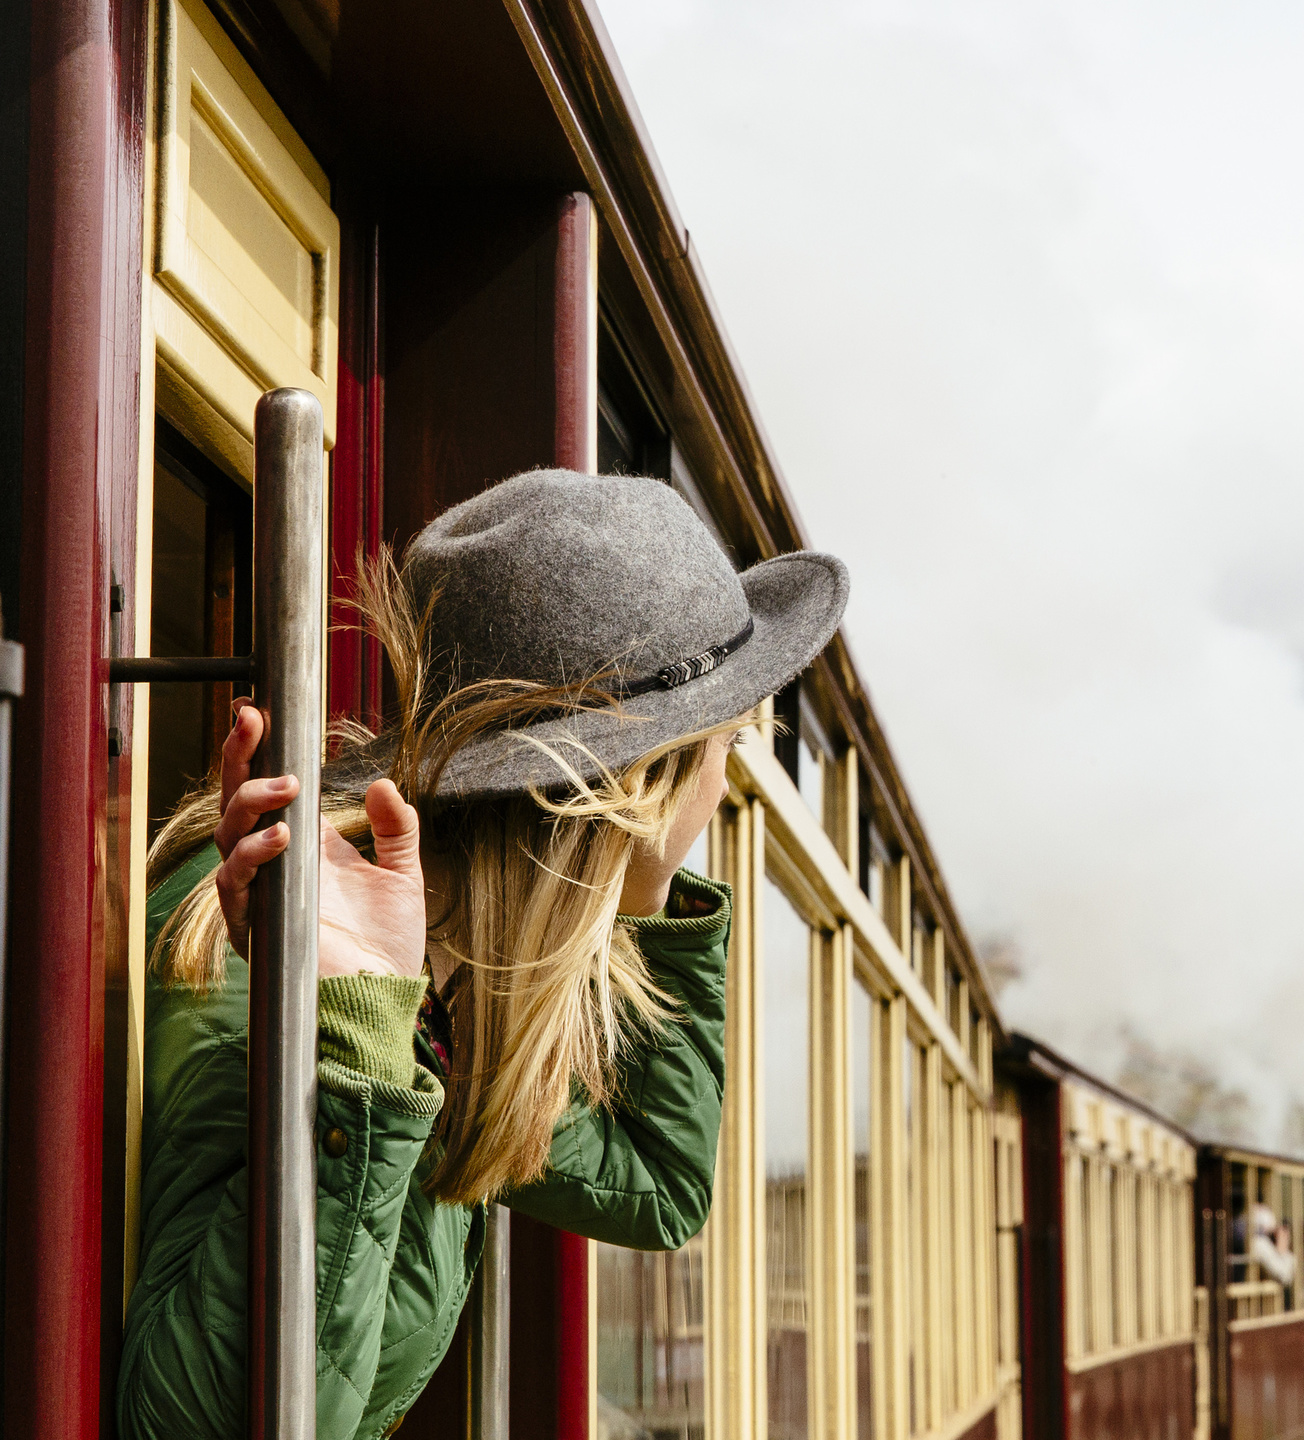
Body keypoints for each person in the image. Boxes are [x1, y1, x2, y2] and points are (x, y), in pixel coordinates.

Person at [118, 470, 848, 1438]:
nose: (720, 794)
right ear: (646, 787)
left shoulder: (460, 985)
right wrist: (357, 1052)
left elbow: (659, 1186)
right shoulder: (274, 962)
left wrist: (653, 887)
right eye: (725, 751)